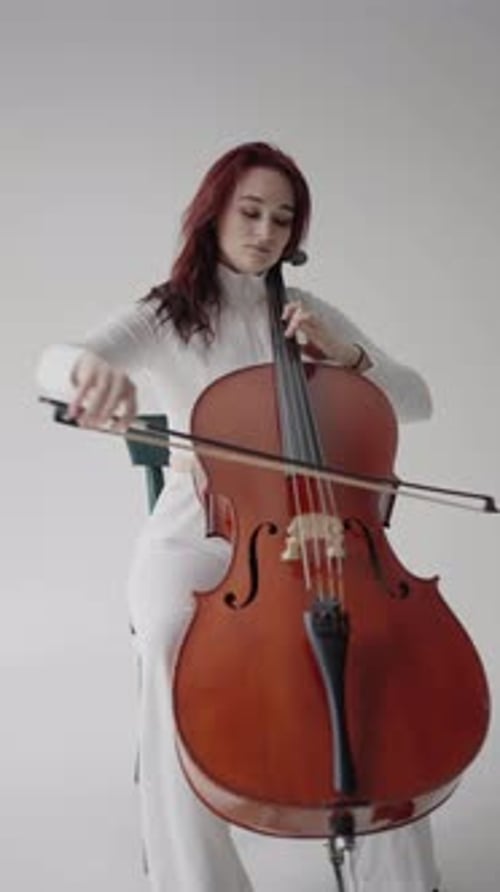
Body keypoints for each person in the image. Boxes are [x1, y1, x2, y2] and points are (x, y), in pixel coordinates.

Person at [36, 141, 441, 892]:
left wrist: (347, 356)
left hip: (310, 538)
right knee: (165, 641)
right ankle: (196, 880)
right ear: (214, 213)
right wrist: (81, 373)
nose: (266, 232)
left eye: (283, 220)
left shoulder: (305, 312)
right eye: (250, 212)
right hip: (195, 536)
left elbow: (415, 399)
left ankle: (401, 877)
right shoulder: (168, 311)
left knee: (381, 652)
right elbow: (57, 359)